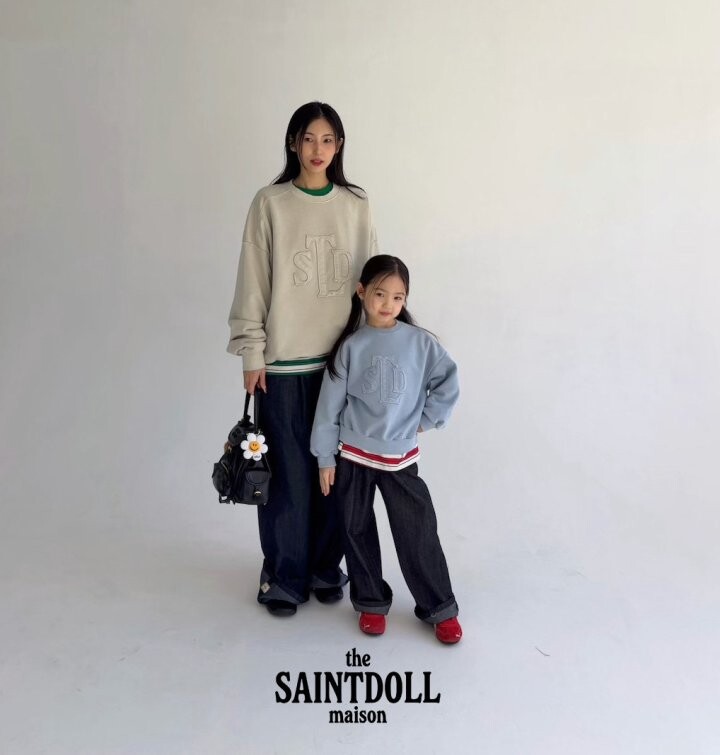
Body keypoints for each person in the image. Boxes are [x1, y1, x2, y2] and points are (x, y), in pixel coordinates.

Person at [227, 102, 377, 617]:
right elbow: (253, 278)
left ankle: (323, 567)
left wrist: (375, 349)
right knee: (288, 475)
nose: (318, 149)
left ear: (339, 146)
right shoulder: (270, 202)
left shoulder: (356, 204)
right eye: (308, 138)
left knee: (335, 473)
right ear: (293, 143)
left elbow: (371, 281)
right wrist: (252, 349)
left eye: (328, 139)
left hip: (342, 363)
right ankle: (285, 576)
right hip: (285, 363)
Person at [310, 255, 463, 644]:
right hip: (353, 457)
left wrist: (424, 420)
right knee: (355, 530)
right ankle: (371, 603)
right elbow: (329, 408)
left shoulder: (420, 344)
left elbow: (448, 380)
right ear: (362, 291)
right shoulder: (351, 346)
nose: (388, 304)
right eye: (380, 294)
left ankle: (439, 607)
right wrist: (326, 458)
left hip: (399, 458)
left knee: (417, 532)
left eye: (398, 297)